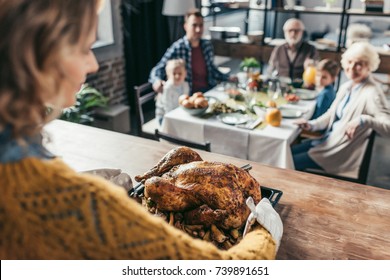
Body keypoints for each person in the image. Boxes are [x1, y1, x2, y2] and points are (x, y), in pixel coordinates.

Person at [0, 0, 282, 259]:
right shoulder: (59, 200)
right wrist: (265, 226)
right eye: (84, 48)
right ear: (35, 54)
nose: (93, 63)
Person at [292, 42, 390, 173]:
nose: (352, 67)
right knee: (285, 153)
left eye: (359, 63)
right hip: (325, 141)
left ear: (369, 67)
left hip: (337, 153)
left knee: (286, 160)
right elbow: (330, 114)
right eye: (350, 62)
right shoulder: (347, 86)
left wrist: (363, 120)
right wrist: (311, 125)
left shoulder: (372, 92)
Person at [149, 8, 236, 94]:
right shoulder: (177, 48)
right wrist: (156, 81)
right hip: (189, 95)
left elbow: (212, 70)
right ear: (185, 26)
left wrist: (227, 78)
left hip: (209, 90)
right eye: (194, 25)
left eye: (201, 25)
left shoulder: (207, 45)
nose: (198, 29)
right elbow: (157, 69)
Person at [155, 59, 189, 125]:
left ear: (185, 73)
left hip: (179, 114)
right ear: (169, 74)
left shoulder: (185, 85)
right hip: (165, 117)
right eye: (174, 74)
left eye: (180, 73)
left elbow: (185, 103)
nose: (177, 76)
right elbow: (168, 109)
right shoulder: (168, 88)